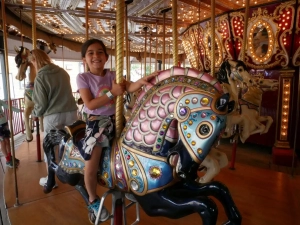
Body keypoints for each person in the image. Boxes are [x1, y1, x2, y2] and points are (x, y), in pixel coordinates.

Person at [77, 38, 157, 221]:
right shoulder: (83, 78)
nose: (95, 56)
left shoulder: (113, 75)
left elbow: (128, 87)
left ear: (106, 57)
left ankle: (129, 184)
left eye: (99, 52)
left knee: (136, 148)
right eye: (90, 53)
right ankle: (92, 198)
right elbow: (90, 103)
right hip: (97, 123)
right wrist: (112, 93)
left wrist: (142, 81)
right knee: (91, 161)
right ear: (84, 59)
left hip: (118, 120)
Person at [30, 49, 78, 190]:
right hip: (70, 112)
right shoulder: (62, 72)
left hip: (53, 115)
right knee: (71, 144)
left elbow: (41, 103)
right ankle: (74, 172)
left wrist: (35, 114)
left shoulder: (40, 77)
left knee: (50, 146)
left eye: (32, 62)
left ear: (35, 61)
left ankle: (51, 179)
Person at [0, 100, 21, 168]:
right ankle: (7, 160)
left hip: (4, 123)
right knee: (3, 142)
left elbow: (8, 106)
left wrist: (19, 110)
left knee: (7, 141)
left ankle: (10, 157)